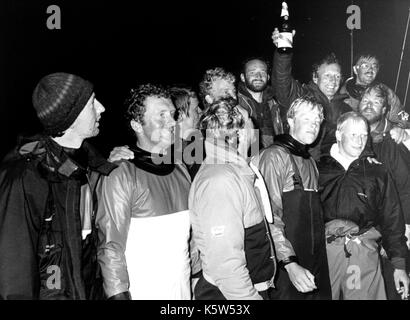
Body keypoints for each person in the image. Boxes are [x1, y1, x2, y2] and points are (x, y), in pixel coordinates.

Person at [0, 72, 116, 299]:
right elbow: (14, 272)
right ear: (70, 118)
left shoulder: (89, 165)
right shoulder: (25, 177)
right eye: (92, 103)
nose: (102, 108)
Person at [96, 84, 192, 300]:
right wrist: (118, 295)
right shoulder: (122, 173)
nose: (173, 122)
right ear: (137, 125)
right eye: (161, 115)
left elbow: (187, 240)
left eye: (173, 114)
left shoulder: (180, 168)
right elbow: (110, 246)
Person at [189, 98, 276, 300]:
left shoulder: (235, 170)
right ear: (238, 133)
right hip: (230, 295)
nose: (254, 128)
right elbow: (226, 264)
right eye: (249, 122)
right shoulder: (220, 180)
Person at [318, 111, 409, 300]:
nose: (360, 141)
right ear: (338, 135)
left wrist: (399, 265)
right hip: (324, 253)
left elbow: (392, 219)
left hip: (362, 252)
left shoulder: (377, 171)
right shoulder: (318, 168)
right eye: (353, 134)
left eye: (364, 135)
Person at [253, 97, 331, 300]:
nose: (313, 125)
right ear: (290, 120)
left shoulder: (310, 162)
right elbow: (269, 219)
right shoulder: (274, 157)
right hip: (287, 268)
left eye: (317, 121)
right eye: (306, 118)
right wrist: (289, 263)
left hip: (314, 264)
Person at [357, 84, 410, 299]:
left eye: (376, 101)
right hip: (361, 233)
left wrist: (404, 228)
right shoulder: (348, 137)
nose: (369, 105)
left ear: (385, 110)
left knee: (393, 285)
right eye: (365, 100)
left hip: (391, 230)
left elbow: (405, 189)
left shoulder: (392, 143)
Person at [271, 28, 351, 160]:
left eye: (337, 76)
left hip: (329, 171)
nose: (333, 81)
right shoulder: (301, 96)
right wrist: (283, 52)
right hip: (297, 164)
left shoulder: (345, 109)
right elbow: (282, 81)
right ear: (315, 78)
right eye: (327, 76)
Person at [340, 53, 409, 127]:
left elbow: (402, 120)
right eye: (365, 66)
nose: (370, 69)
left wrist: (397, 130)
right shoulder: (341, 94)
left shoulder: (387, 92)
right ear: (355, 69)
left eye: (374, 66)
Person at [238, 58, 285, 148]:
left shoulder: (275, 104)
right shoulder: (236, 105)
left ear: (268, 77)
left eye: (263, 72)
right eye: (252, 72)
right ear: (243, 77)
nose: (258, 76)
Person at [169, 86, 204, 179]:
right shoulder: (167, 156)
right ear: (180, 115)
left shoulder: (200, 142)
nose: (201, 112)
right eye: (196, 109)